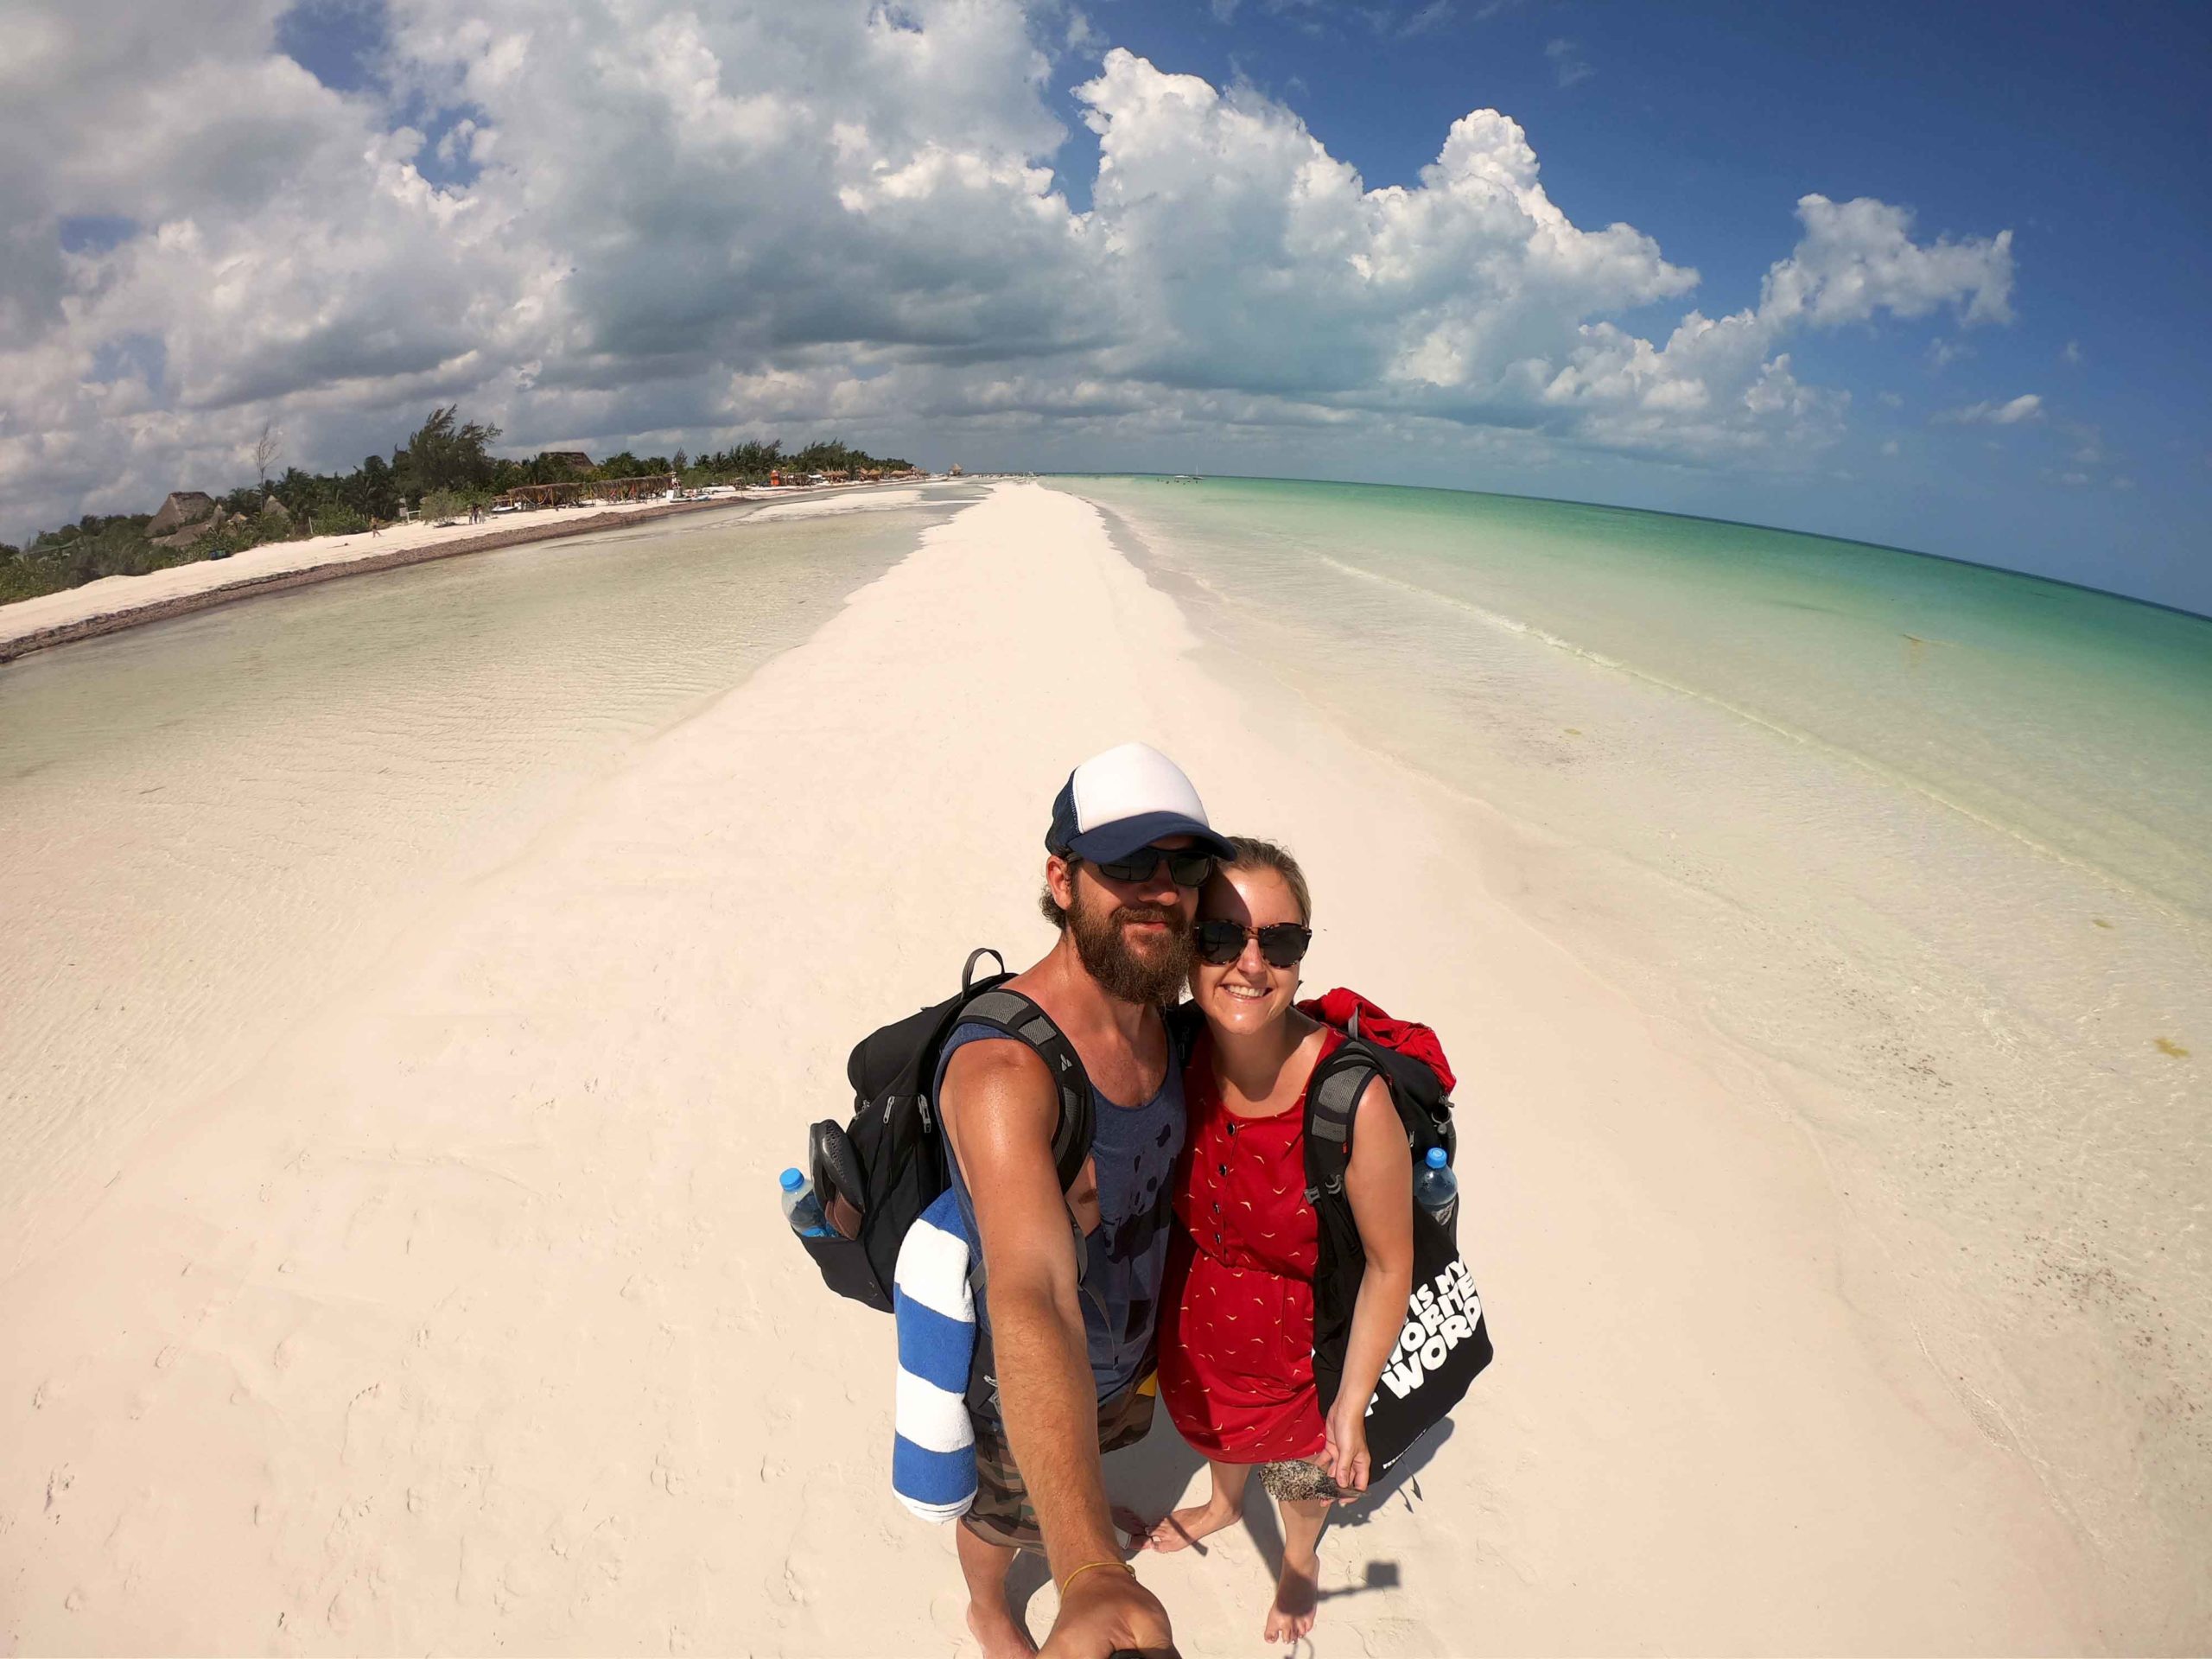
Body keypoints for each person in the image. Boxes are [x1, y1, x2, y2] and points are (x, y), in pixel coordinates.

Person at [938, 742, 1234, 1659]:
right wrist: (1087, 1570)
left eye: (1181, 866)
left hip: (1125, 1355)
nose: (1158, 888)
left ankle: (1066, 1501)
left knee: (1083, 1459)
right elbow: (1032, 1294)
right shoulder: (1003, 1071)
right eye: (1125, 864)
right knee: (1001, 1513)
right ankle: (989, 1606)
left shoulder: (1163, 1015)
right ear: (1061, 879)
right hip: (1023, 1371)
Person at [1142, 838, 1415, 1645]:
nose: (1249, 964)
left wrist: (1354, 1407)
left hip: (1301, 1359)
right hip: (1197, 1332)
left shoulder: (1350, 1101)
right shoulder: (1173, 1051)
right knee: (1219, 1439)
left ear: (1304, 953)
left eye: (1279, 942)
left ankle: (1300, 1561)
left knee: (1299, 1482)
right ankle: (1226, 1504)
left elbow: (1390, 1265)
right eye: (1220, 937)